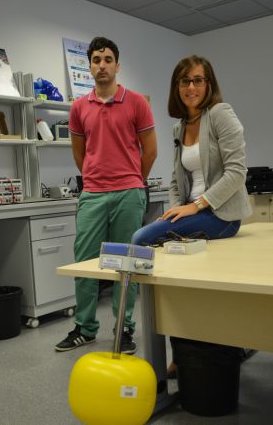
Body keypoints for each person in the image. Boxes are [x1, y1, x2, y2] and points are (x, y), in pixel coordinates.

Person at [131, 55, 251, 376]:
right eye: (185, 81)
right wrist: (174, 211)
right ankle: (180, 352)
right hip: (190, 213)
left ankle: (182, 354)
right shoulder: (179, 126)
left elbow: (238, 172)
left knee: (140, 238)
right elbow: (175, 180)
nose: (191, 87)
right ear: (177, 87)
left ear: (208, 84)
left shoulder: (221, 115)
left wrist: (196, 206)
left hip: (220, 213)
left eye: (198, 80)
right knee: (175, 279)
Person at [55, 37, 158, 354]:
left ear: (117, 65)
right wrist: (97, 179)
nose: (102, 64)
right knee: (85, 262)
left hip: (129, 193)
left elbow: (150, 151)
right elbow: (79, 155)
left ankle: (124, 328)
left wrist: (132, 181)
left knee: (126, 264)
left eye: (108, 59)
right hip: (93, 195)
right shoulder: (78, 108)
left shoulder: (137, 102)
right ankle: (85, 328)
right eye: (96, 59)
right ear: (89, 65)